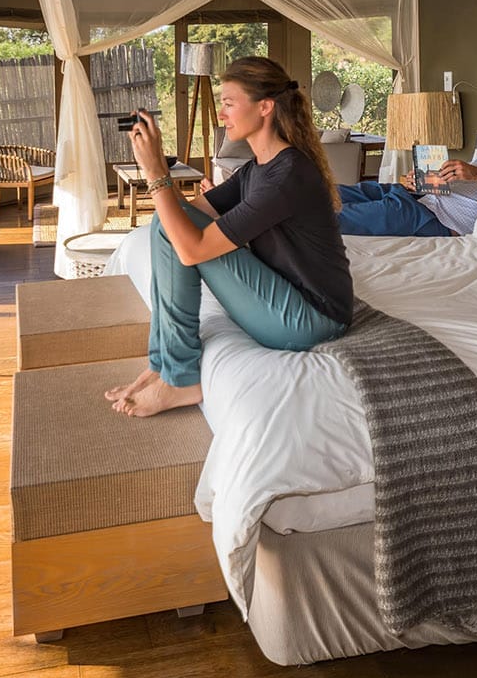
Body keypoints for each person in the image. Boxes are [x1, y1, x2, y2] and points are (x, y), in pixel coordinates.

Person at [105, 56, 352, 418]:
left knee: (174, 230)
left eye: (229, 103)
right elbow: (184, 214)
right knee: (166, 222)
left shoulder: (287, 175)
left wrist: (156, 172)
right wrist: (153, 162)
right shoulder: (256, 169)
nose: (221, 114)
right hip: (287, 300)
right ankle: (164, 365)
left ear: (264, 107)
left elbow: (192, 250)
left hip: (313, 320)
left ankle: (180, 377)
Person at [336, 107, 477, 238]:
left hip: (435, 217)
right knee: (341, 192)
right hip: (418, 195)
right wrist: (419, 180)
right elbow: (459, 179)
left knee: (342, 217)